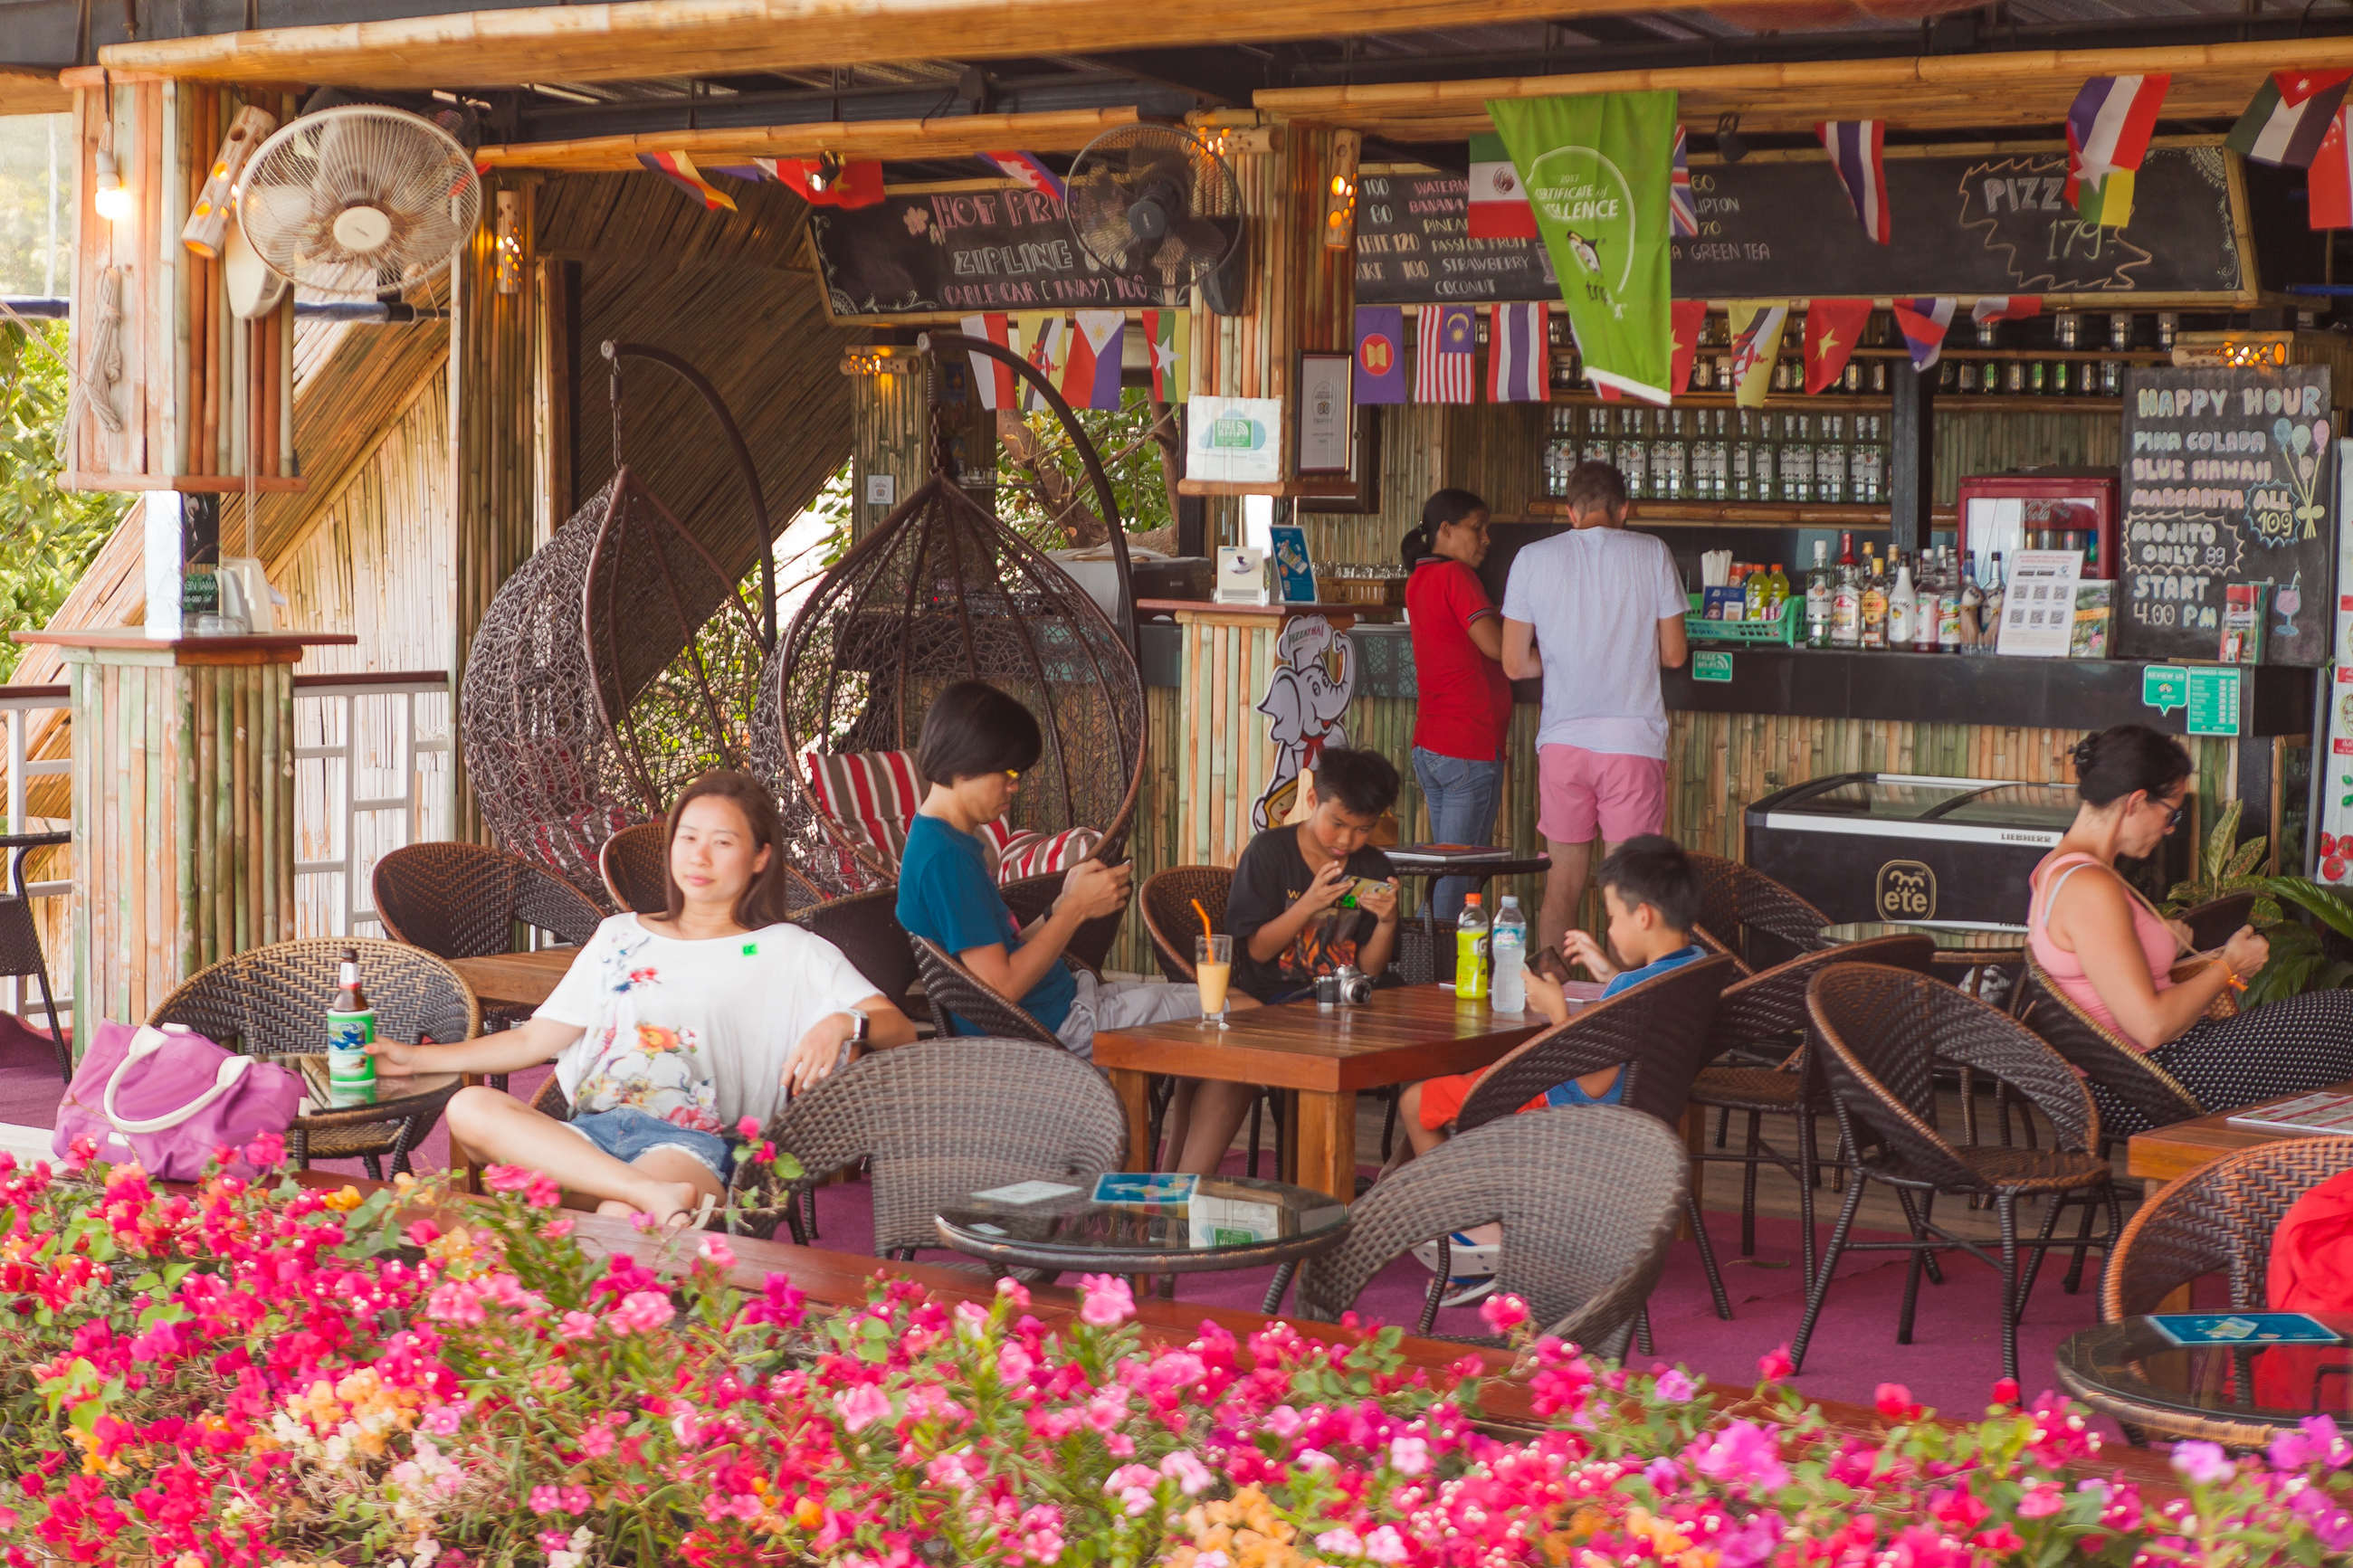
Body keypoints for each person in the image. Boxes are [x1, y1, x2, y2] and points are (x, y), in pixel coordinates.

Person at [370, 771, 918, 1228]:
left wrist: (845, 1022)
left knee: (615, 1218)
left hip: (693, 1150)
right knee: (470, 1106)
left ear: (759, 858)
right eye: (688, 836)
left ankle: (635, 1201)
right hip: (585, 1137)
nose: (699, 855)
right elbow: (538, 1038)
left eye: (722, 842)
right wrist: (417, 1057)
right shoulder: (618, 935)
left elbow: (898, 1027)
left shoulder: (789, 950)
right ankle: (643, 1195)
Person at [895, 679, 1259, 1175]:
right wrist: (1073, 914)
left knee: (1221, 1016)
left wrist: (1064, 901)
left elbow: (995, 952)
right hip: (1059, 1029)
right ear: (965, 764)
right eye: (1008, 772)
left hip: (1063, 1011)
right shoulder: (945, 860)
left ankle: (1165, 1186)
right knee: (1243, 1022)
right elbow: (1000, 984)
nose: (1015, 785)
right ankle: (1179, 1200)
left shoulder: (947, 841)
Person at [1393, 835, 1710, 1304]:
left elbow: (1593, 1082)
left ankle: (1484, 1239)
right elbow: (1633, 1015)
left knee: (1417, 1102)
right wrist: (1607, 978)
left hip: (1569, 1112)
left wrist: (1556, 1008)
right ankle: (1488, 1215)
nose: (1610, 928)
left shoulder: (1631, 987)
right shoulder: (1695, 967)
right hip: (1643, 1119)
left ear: (1643, 916)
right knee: (1458, 1088)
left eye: (1613, 917)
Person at [2028, 724, 2353, 1136]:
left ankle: (2289, 1175)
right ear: (2136, 802)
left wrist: (2161, 938)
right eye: (2171, 814)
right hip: (2145, 1084)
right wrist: (2229, 966)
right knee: (2345, 1015)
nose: (2170, 829)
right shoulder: (2090, 888)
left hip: (2140, 1072)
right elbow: (2151, 1026)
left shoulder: (2060, 869)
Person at [1500, 461, 1689, 956]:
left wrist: (1564, 657)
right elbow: (1673, 654)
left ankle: (1548, 1000)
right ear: (1624, 509)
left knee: (1560, 883)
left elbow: (1515, 664)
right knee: (1634, 890)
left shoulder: (1531, 559)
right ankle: (1631, 1004)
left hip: (1562, 744)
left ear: (1570, 511)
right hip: (1632, 745)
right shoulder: (1652, 552)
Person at [1402, 488, 1512, 923]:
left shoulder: (1420, 578)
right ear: (1445, 530)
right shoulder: (1457, 577)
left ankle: (1418, 966)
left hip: (1432, 746)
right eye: (1477, 528)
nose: (1486, 539)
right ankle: (1429, 979)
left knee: (1445, 872)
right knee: (1458, 883)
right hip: (1468, 746)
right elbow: (1498, 647)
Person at [1226, 746, 1404, 1006]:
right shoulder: (1269, 853)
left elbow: (1371, 970)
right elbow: (1258, 951)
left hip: (1351, 996)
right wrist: (1308, 904)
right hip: (1281, 996)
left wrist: (1387, 922)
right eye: (1337, 823)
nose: (1346, 840)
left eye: (1363, 829)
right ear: (1312, 800)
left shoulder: (1374, 867)